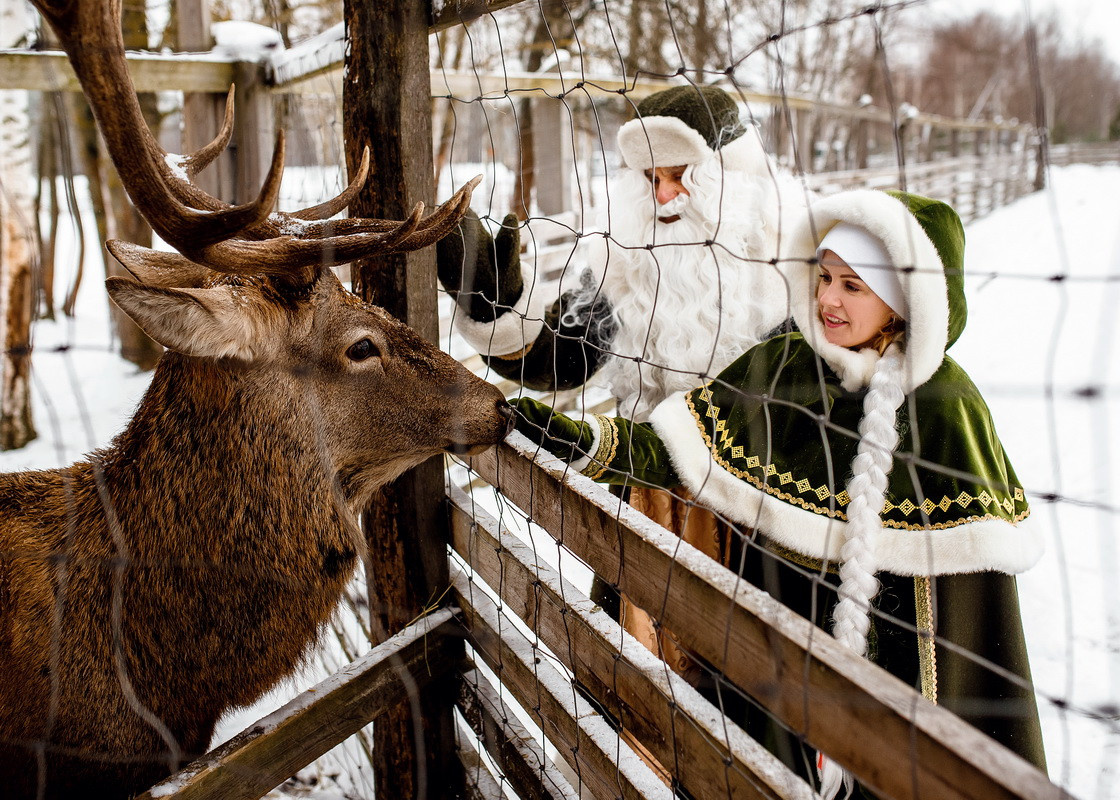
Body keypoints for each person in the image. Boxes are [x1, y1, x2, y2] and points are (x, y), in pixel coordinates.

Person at [514, 189, 1048, 794]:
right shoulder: (785, 366)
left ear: (902, 302)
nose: (827, 299)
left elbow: (971, 627)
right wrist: (581, 441)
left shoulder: (947, 412)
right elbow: (674, 449)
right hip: (766, 670)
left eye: (853, 286)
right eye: (824, 278)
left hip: (894, 686)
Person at [439, 84, 807, 671]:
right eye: (650, 180)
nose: (664, 198)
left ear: (727, 178)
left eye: (681, 177)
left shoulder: (800, 273)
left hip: (767, 517)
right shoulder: (628, 268)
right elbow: (561, 355)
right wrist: (495, 308)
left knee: (748, 701)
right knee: (636, 689)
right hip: (648, 498)